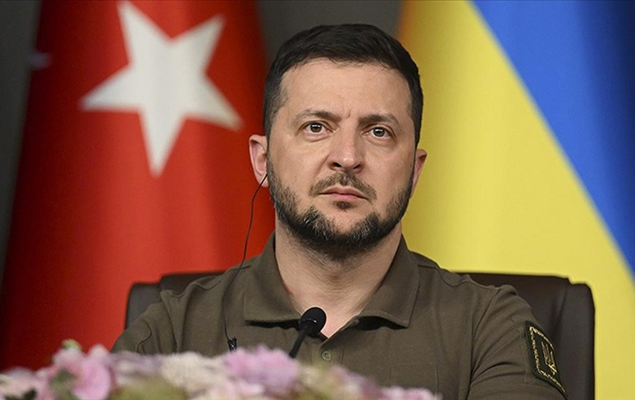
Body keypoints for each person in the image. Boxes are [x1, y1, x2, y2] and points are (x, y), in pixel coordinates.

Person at [113, 24, 566, 399]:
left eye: (378, 132)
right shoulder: (175, 330)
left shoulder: (490, 328)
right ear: (262, 160)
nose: (347, 157)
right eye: (316, 127)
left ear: (414, 170)